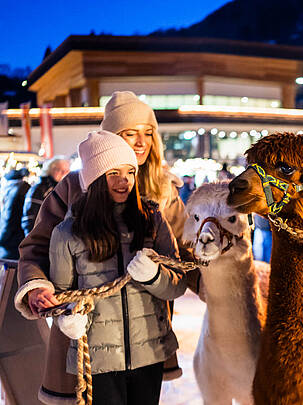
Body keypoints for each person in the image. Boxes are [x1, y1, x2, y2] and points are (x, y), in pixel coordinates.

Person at [14, 91, 187, 404]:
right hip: (93, 339)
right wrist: (38, 288)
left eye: (148, 133)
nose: (141, 142)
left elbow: (185, 257)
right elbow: (37, 247)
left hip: (147, 334)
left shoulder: (165, 191)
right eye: (129, 134)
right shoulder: (73, 187)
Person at [48, 131, 186, 404]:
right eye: (113, 173)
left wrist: (155, 276)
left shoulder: (151, 220)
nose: (124, 181)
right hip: (100, 360)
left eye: (130, 172)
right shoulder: (68, 233)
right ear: (95, 179)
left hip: (150, 352)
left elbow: (178, 283)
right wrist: (69, 319)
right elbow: (62, 294)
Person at [21, 156, 71, 235]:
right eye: (58, 169)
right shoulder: (40, 188)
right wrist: (33, 240)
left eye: (66, 170)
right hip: (41, 238)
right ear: (49, 170)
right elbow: (29, 218)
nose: (63, 173)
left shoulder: (63, 188)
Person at [0, 167, 30, 259]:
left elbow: (8, 218)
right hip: (20, 238)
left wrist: (2, 239)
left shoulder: (13, 191)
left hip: (11, 240)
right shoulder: (26, 189)